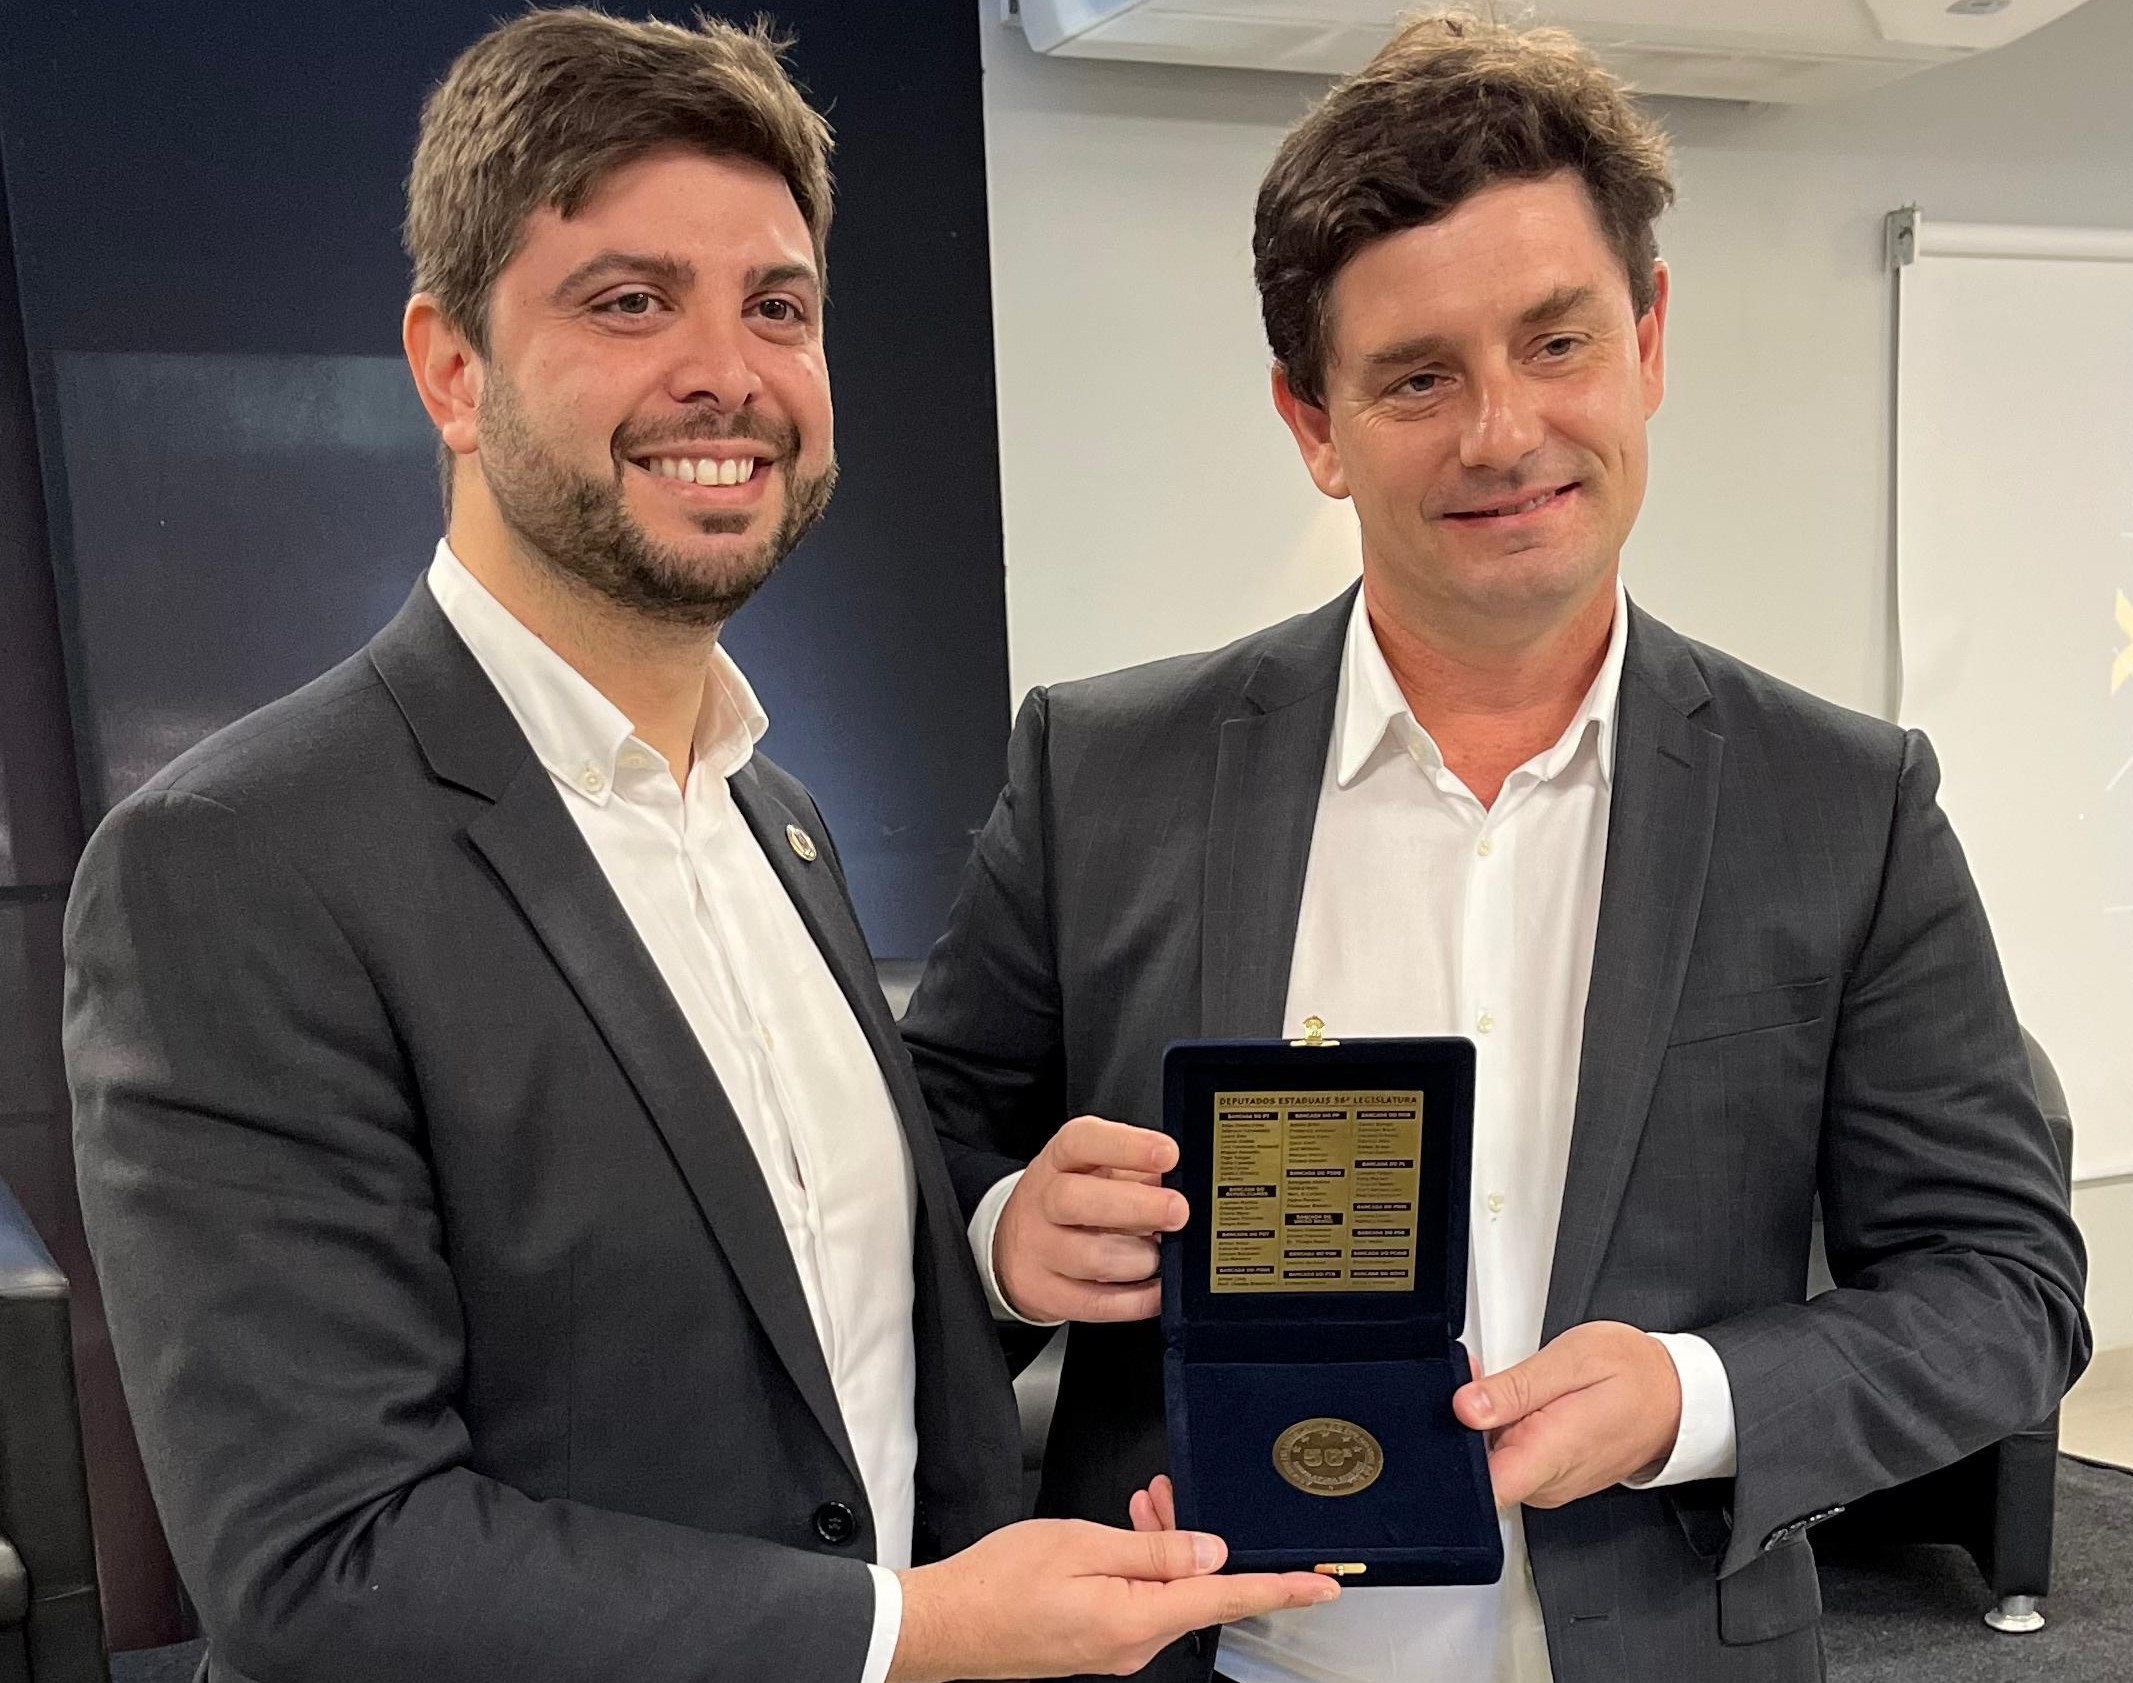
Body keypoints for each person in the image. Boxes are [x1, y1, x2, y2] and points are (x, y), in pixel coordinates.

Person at [63, 12, 1336, 1683]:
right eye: (628, 301)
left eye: (778, 308)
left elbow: (802, 1346)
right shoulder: (233, 865)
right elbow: (327, 1564)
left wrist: (994, 1255)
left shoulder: (772, 819)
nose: (728, 372)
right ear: (453, 370)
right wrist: (918, 1630)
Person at [900, 14, 2088, 1682]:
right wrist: (1003, 1237)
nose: (1504, 432)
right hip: (1195, 1653)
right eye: (1417, 377)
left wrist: (1692, 1396)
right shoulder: (1104, 775)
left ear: (1648, 341)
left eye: (1556, 342)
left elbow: (2006, 1287)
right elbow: (914, 1158)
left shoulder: (1843, 805)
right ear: (1313, 421)